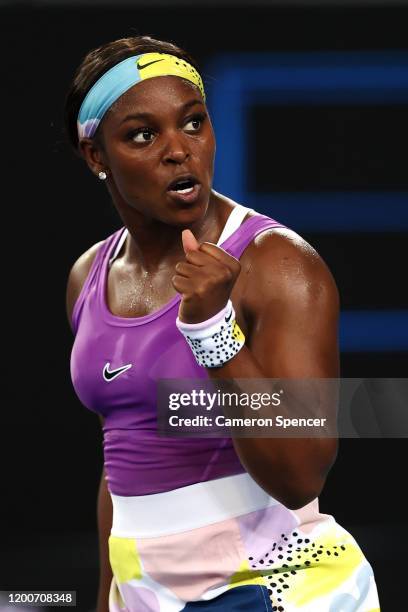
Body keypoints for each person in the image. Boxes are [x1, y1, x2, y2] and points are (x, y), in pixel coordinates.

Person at [64, 36, 380, 612]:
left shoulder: (279, 265)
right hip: (150, 594)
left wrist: (214, 331)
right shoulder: (88, 275)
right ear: (96, 156)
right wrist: (106, 594)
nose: (179, 151)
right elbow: (121, 457)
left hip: (279, 587)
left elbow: (300, 473)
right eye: (143, 134)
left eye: (193, 123)